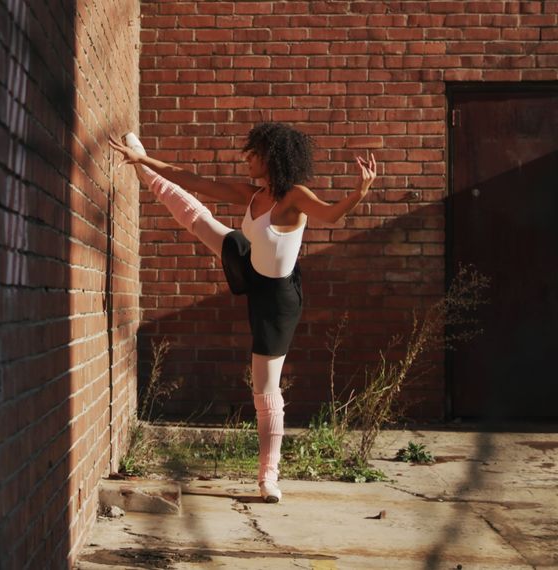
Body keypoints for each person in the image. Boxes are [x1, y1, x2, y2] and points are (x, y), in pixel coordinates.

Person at [108, 123, 377, 502]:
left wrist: (359, 192)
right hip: (249, 266)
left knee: (264, 390)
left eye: (254, 153)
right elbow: (193, 180)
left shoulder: (294, 197)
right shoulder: (253, 195)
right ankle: (142, 168)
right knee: (201, 218)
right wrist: (143, 158)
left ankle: (269, 478)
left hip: (278, 302)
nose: (246, 157)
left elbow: (331, 216)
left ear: (272, 157)